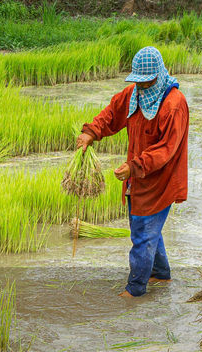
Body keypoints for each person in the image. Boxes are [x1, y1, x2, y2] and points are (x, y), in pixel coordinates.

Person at [77, 46, 189, 298]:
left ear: (157, 75)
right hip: (137, 179)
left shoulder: (173, 105)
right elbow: (111, 113)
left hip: (160, 180)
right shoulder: (134, 94)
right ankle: (160, 274)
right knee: (147, 229)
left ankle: (135, 289)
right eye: (137, 81)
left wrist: (133, 167)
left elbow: (165, 150)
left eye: (145, 81)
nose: (140, 86)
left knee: (143, 234)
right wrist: (91, 133)